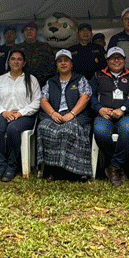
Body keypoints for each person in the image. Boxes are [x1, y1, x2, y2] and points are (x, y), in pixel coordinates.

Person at [37, 49, 93, 180]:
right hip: (55, 115)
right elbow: (43, 99)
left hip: (76, 115)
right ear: (56, 65)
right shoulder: (51, 81)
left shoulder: (80, 79)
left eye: (66, 60)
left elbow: (85, 97)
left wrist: (72, 114)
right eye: (60, 61)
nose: (63, 63)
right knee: (44, 127)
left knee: (68, 129)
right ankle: (51, 169)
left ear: (71, 64)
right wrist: (52, 113)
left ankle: (73, 171)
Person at [90, 46, 129, 185]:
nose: (116, 61)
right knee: (100, 131)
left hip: (126, 114)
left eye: (119, 58)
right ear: (107, 61)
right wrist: (99, 108)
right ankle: (117, 166)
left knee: (128, 129)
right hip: (104, 115)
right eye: (113, 58)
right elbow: (90, 96)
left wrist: (123, 109)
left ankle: (113, 166)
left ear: (124, 60)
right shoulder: (98, 75)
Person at [0, 49, 41, 182]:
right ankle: (1, 165)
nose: (16, 62)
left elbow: (37, 101)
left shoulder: (31, 80)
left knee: (13, 129)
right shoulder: (0, 79)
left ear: (24, 63)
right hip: (3, 113)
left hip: (24, 116)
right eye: (13, 59)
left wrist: (20, 113)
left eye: (19, 59)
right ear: (8, 62)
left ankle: (12, 166)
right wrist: (4, 112)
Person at [13, 21, 55, 86]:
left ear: (37, 32)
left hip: (42, 84)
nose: (29, 32)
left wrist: (43, 80)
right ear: (23, 33)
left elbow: (52, 67)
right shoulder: (17, 48)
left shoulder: (45, 47)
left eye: (32, 29)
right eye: (26, 30)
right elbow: (12, 66)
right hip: (21, 84)